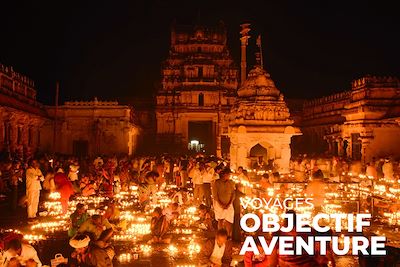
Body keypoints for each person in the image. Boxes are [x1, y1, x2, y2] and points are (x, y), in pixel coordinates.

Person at [213, 168, 235, 237]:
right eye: (229, 175)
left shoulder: (231, 182)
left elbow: (233, 194)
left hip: (229, 204)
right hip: (219, 205)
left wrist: (229, 204)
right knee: (220, 220)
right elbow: (215, 195)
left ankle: (228, 236)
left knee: (229, 221)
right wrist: (221, 204)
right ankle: (220, 235)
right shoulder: (217, 183)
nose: (229, 176)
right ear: (224, 174)